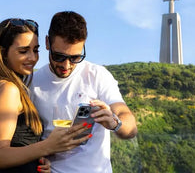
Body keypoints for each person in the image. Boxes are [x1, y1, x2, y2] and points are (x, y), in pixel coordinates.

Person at [0, 18, 92, 173]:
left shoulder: (15, 87)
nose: (33, 58)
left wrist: (37, 157)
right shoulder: (8, 89)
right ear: (3, 52)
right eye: (23, 51)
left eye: (35, 50)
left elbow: (17, 148)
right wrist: (46, 147)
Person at [30, 11, 138, 173]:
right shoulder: (32, 83)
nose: (66, 65)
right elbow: (26, 141)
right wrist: (38, 159)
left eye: (75, 58)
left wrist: (114, 122)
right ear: (47, 43)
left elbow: (131, 128)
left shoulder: (97, 75)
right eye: (59, 56)